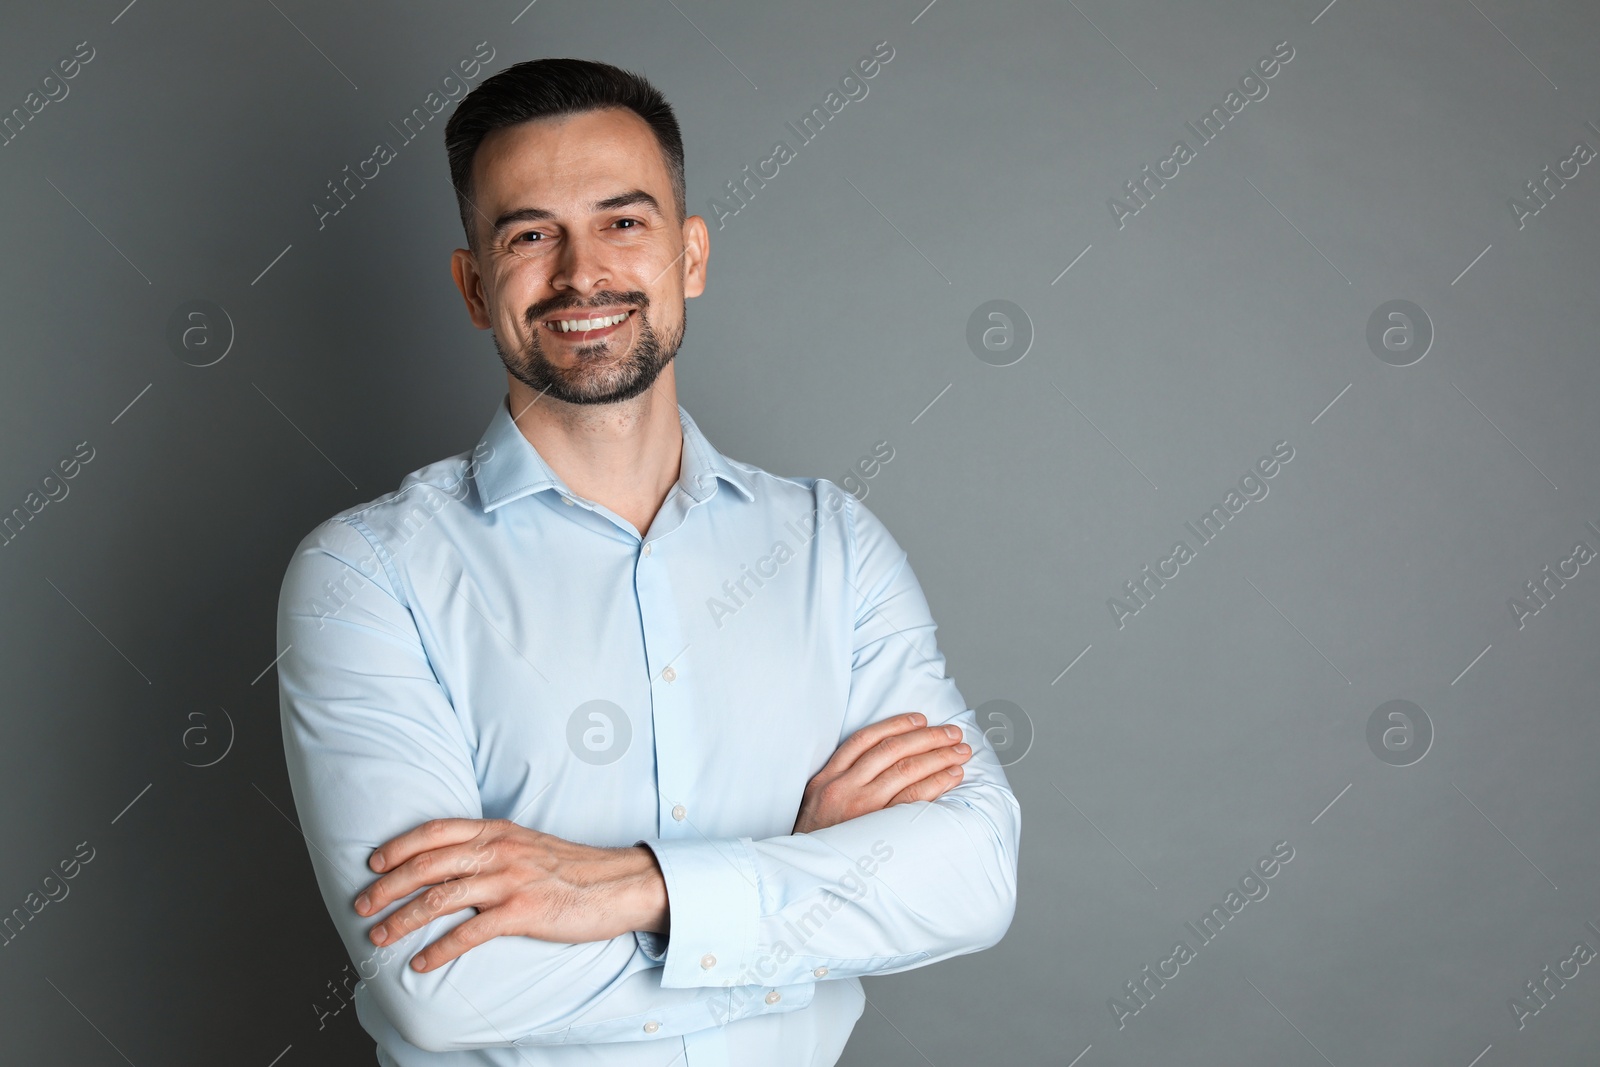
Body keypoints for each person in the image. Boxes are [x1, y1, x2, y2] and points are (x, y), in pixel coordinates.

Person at [276, 56, 1020, 1067]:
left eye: (623, 221)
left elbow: (970, 877)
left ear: (690, 254)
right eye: (529, 234)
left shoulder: (832, 547)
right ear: (472, 283)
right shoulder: (365, 576)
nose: (582, 273)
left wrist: (626, 887)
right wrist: (802, 877)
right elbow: (443, 983)